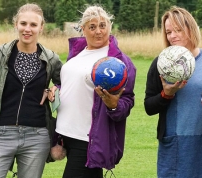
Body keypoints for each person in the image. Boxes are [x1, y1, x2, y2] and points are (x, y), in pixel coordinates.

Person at [0, 3, 62, 178]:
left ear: (41, 27)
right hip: (0, 134)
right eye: (23, 23)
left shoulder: (51, 59)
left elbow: (66, 86)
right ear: (15, 24)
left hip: (37, 136)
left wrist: (55, 89)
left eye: (33, 25)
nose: (27, 29)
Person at [48, 5, 136, 178]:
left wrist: (114, 105)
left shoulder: (117, 62)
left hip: (87, 139)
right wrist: (56, 90)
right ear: (83, 29)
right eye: (92, 27)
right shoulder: (78, 53)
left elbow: (126, 102)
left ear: (109, 27)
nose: (98, 32)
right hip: (66, 134)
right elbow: (75, 83)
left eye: (102, 26)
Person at [144, 6, 202, 178]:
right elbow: (149, 107)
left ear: (191, 29)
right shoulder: (161, 64)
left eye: (178, 30)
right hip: (176, 143)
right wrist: (166, 94)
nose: (172, 36)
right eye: (168, 32)